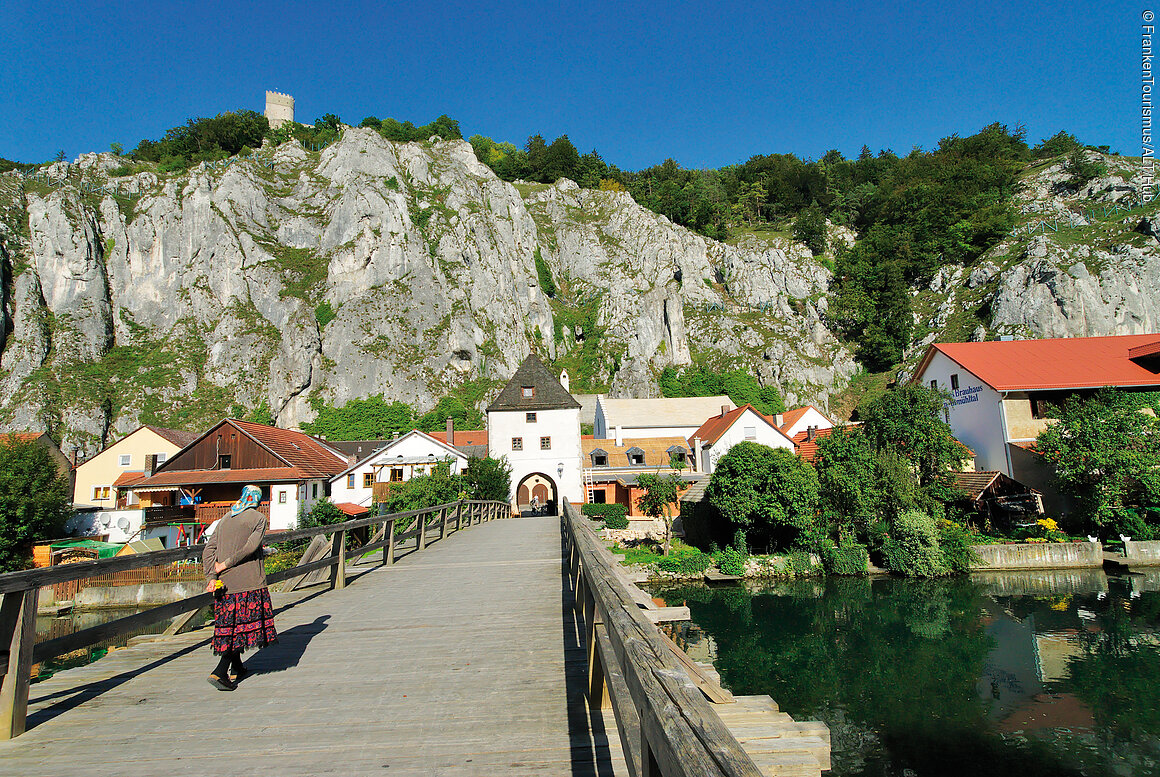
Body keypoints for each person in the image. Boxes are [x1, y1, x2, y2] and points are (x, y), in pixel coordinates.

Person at [202, 484, 278, 691]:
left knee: (231, 626)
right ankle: (219, 672)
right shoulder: (258, 519)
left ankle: (237, 667)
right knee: (239, 628)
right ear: (258, 500)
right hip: (248, 582)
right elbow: (250, 547)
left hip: (224, 584)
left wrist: (212, 575)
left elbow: (208, 550)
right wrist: (227, 563)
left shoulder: (225, 519)